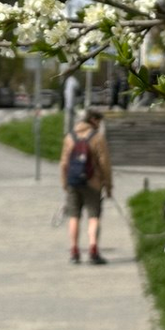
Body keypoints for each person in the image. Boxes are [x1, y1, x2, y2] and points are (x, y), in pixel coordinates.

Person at [60, 107, 113, 265]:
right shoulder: (97, 137)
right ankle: (93, 250)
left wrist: (64, 182)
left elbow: (63, 163)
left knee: (74, 216)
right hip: (93, 183)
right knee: (93, 217)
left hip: (73, 182)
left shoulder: (70, 137)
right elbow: (104, 163)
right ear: (94, 120)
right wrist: (108, 185)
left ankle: (74, 251)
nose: (100, 125)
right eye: (99, 121)